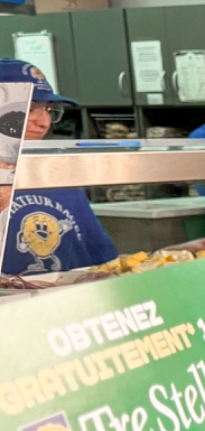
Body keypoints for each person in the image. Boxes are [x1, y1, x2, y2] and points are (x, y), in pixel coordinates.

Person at [0, 61, 117, 275]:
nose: (44, 122)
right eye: (31, 108)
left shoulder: (54, 175)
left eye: (49, 110)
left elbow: (104, 263)